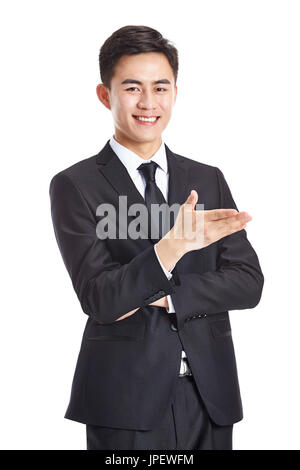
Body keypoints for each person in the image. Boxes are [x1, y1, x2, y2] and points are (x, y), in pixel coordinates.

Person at [49, 25, 264, 450]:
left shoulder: (206, 178)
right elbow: (100, 297)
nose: (148, 103)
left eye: (160, 88)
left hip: (209, 393)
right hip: (124, 399)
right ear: (105, 95)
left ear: (175, 94)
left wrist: (165, 295)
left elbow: (248, 282)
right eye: (132, 88)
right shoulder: (75, 185)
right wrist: (170, 249)